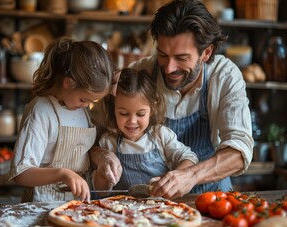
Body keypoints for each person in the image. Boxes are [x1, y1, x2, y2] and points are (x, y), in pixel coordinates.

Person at [91, 0, 253, 199]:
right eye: (163, 54)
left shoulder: (224, 75)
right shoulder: (139, 75)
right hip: (151, 206)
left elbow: (239, 151)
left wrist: (190, 175)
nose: (169, 68)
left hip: (211, 200)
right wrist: (102, 156)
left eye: (182, 58)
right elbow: (89, 133)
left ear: (206, 52)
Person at [9, 37, 114, 202]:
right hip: (41, 203)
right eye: (84, 99)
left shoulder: (80, 108)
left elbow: (82, 155)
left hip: (75, 204)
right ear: (68, 83)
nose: (87, 105)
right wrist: (62, 174)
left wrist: (102, 162)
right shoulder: (41, 111)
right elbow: (21, 174)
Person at [92, 68, 199, 192]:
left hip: (161, 208)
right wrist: (103, 176)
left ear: (151, 110)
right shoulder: (108, 142)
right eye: (124, 113)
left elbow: (190, 158)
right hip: (119, 209)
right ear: (114, 110)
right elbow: (101, 191)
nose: (132, 121)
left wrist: (172, 179)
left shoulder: (160, 135)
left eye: (141, 114)